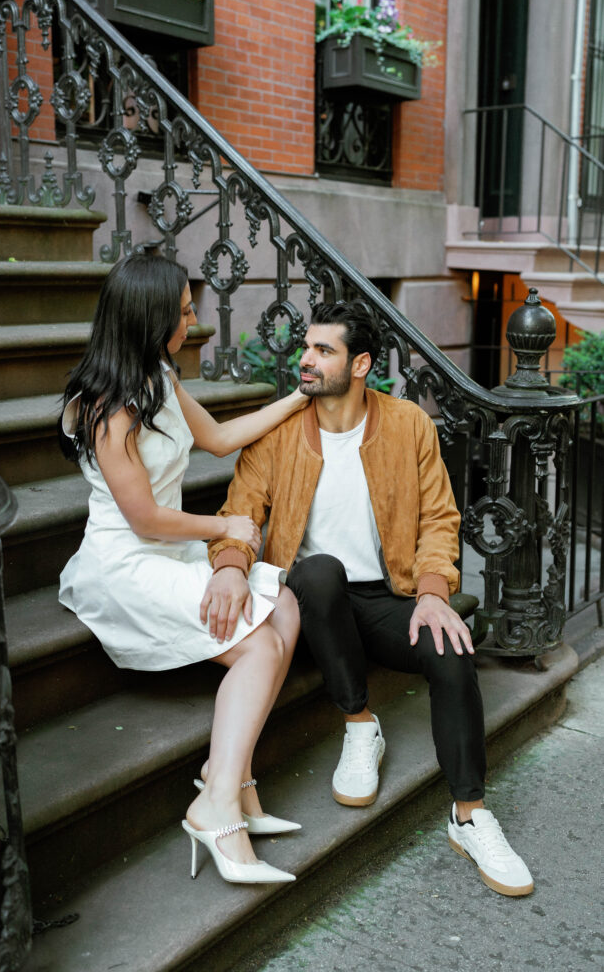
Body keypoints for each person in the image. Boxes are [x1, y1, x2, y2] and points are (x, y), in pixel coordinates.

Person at [203, 299, 534, 898]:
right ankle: (360, 725)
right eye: (306, 347)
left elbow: (439, 518)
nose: (305, 359)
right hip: (307, 604)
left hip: (386, 596)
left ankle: (470, 813)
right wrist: (229, 566)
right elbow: (239, 513)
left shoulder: (408, 425)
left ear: (360, 365)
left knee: (450, 649)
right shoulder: (277, 435)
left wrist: (433, 594)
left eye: (322, 350)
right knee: (322, 571)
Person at [58, 254, 306, 885]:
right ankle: (217, 806)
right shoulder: (104, 405)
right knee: (258, 646)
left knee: (287, 607)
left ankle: (235, 784)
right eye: (184, 312)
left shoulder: (158, 378)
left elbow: (221, 439)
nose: (195, 322)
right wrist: (226, 526)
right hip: (127, 560)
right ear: (149, 319)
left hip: (172, 546)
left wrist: (299, 399)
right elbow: (142, 517)